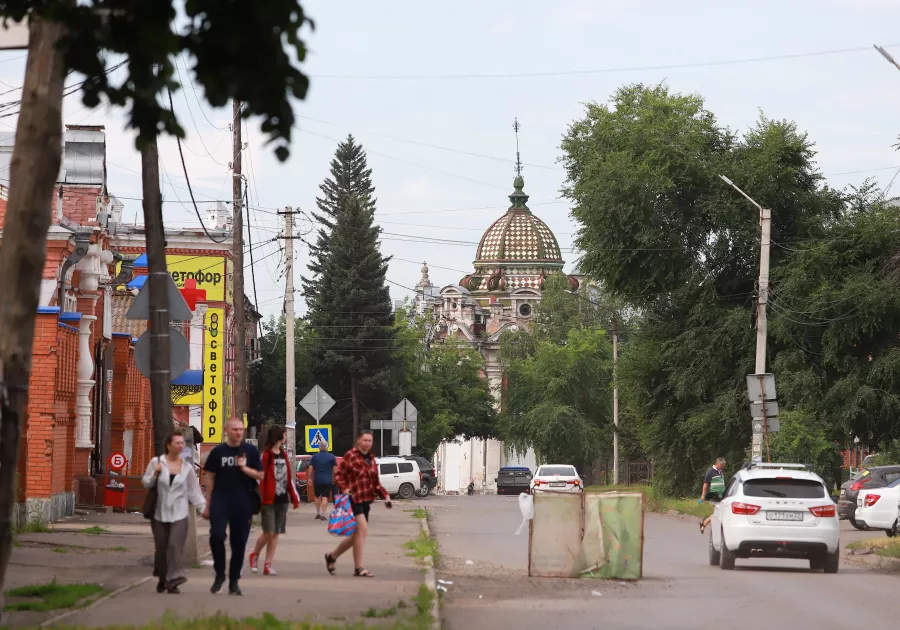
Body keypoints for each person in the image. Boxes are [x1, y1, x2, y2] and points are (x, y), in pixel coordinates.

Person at [202, 417, 264, 595]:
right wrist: (207, 503)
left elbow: (260, 475)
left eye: (240, 429)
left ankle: (234, 581)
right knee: (216, 536)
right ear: (226, 430)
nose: (238, 432)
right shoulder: (218, 452)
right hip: (220, 499)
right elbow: (210, 476)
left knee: (239, 542)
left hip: (243, 500)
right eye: (235, 429)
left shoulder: (250, 451)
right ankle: (220, 574)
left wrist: (244, 468)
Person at [141, 432, 206, 594]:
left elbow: (194, 491)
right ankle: (163, 578)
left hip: (180, 514)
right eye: (177, 443)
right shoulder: (157, 462)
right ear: (169, 445)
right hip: (159, 513)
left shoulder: (187, 468)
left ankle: (174, 580)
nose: (180, 446)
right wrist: (155, 474)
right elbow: (146, 483)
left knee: (175, 545)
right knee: (161, 547)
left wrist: (204, 509)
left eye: (182, 443)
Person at [324, 431, 392, 578]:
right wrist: (344, 488)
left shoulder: (371, 459)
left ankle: (332, 557)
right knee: (362, 530)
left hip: (365, 500)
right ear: (358, 441)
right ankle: (359, 568)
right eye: (365, 440)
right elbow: (339, 475)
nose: (367, 443)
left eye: (369, 441)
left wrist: (385, 496)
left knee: (356, 536)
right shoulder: (351, 456)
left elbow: (375, 482)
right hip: (352, 499)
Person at [249, 426, 300, 575]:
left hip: (282, 500)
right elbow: (260, 478)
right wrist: (261, 499)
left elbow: (288, 478)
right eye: (284, 435)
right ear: (279, 436)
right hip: (268, 501)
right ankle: (255, 555)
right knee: (268, 532)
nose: (286, 438)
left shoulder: (283, 455)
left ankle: (268, 564)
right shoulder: (267, 455)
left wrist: (294, 498)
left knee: (276, 533)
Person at [310, 440, 338, 521]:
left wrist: (309, 478)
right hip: (327, 480)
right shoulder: (332, 457)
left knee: (317, 496)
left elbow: (311, 468)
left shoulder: (314, 456)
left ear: (319, 448)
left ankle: (318, 513)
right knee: (325, 497)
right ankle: (323, 515)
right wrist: (335, 478)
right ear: (327, 447)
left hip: (317, 480)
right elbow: (335, 470)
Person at [699, 457, 726, 534]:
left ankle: (705, 523)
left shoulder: (720, 471)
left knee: (719, 513)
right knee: (718, 513)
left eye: (723, 466)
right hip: (714, 495)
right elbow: (705, 483)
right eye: (721, 465)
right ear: (717, 464)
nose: (723, 467)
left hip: (721, 496)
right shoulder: (710, 471)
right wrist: (703, 495)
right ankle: (706, 523)